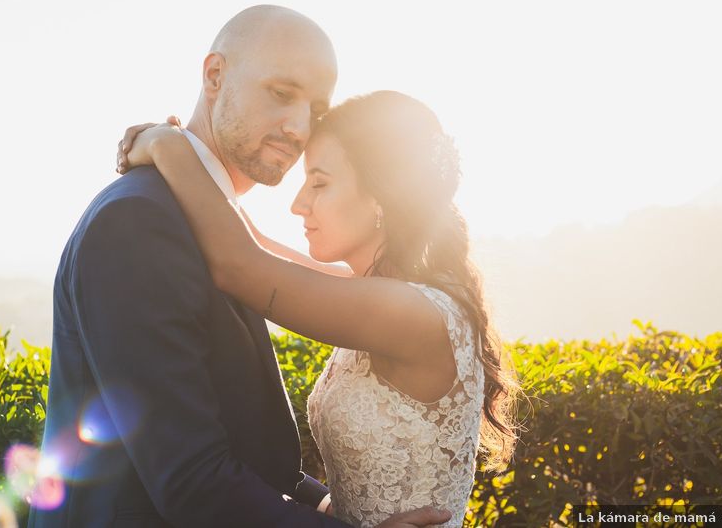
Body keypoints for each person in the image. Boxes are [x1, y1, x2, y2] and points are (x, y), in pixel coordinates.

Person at [29, 5, 451, 528]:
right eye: (281, 93)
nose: (298, 128)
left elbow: (249, 453)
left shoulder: (212, 228)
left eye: (315, 110)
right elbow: (192, 482)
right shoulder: (138, 221)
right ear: (214, 76)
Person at [115, 90, 521, 527]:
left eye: (320, 183)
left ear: (382, 198)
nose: (297, 204)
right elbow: (254, 245)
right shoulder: (375, 293)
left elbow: (239, 264)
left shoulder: (411, 313)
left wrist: (164, 145)